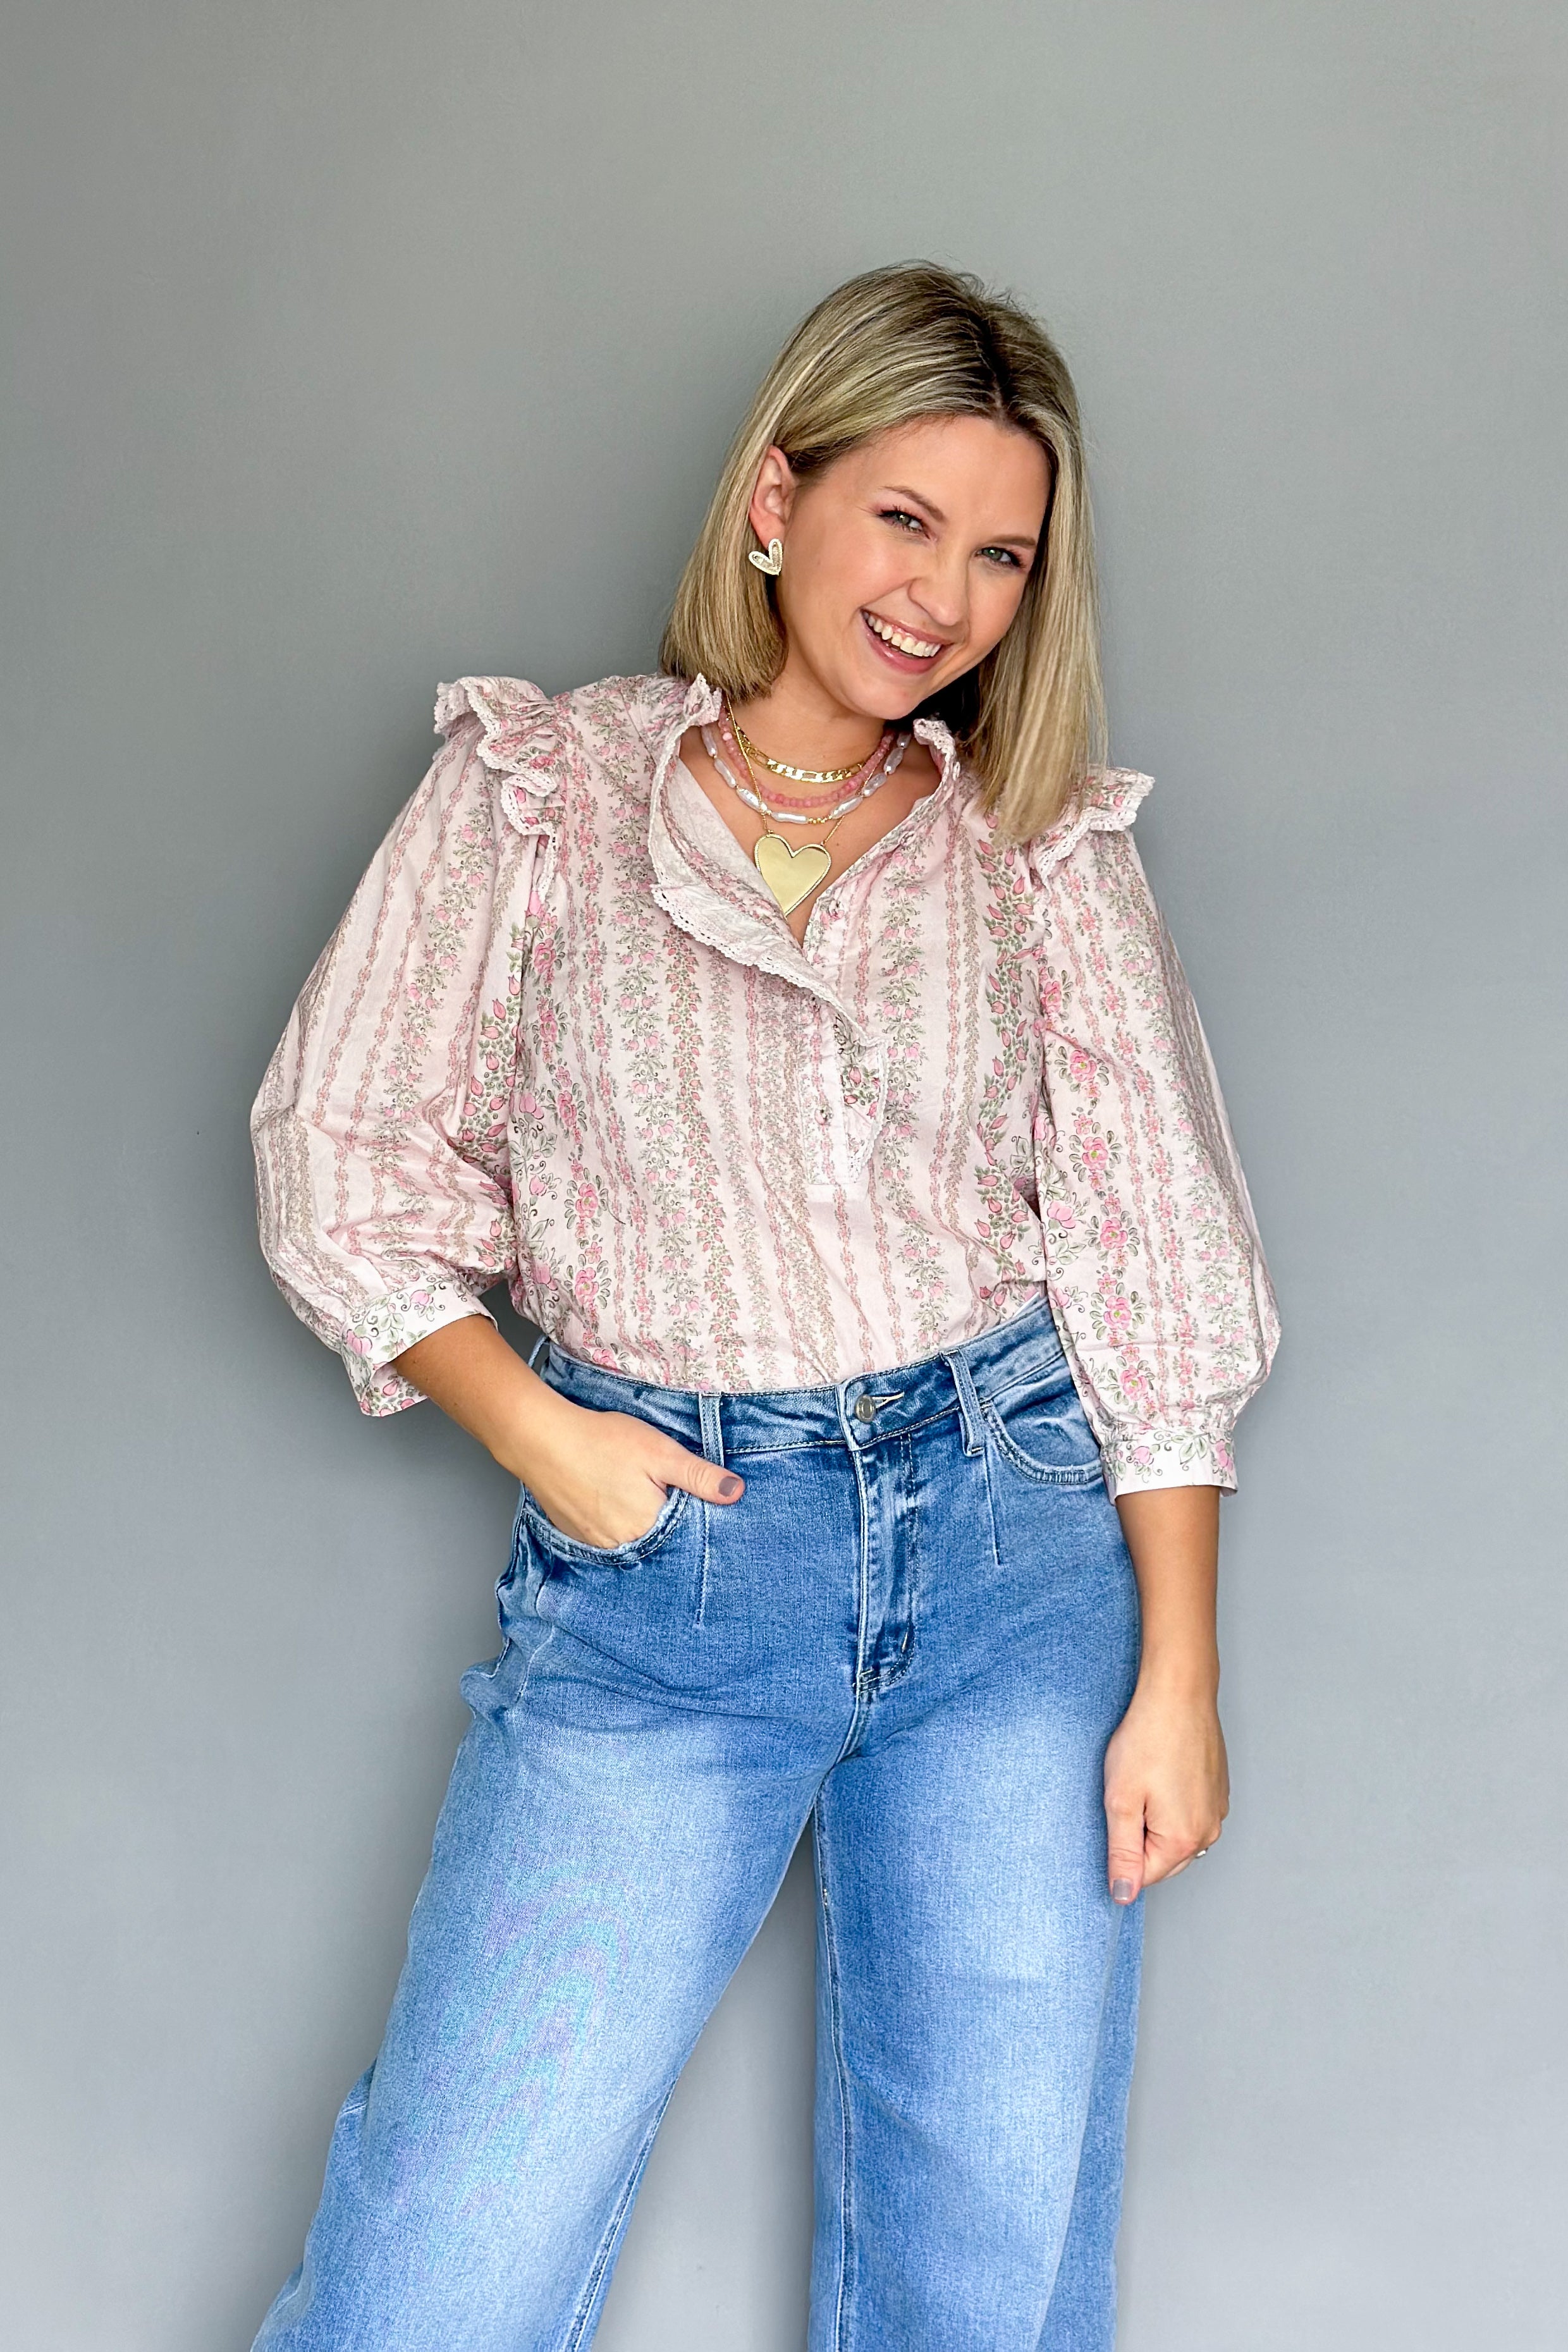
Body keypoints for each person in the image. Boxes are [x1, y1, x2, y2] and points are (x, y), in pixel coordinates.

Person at [248, 260, 1278, 2351]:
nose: (945, 597)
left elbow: (1155, 1247)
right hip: (673, 1581)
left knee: (984, 2265)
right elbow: (338, 1149)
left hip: (1016, 1563)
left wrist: (1177, 1674)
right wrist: (545, 1439)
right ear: (776, 500)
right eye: (905, 519)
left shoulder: (1035, 847)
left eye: (1002, 555)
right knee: (442, 2256)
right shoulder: (544, 792)